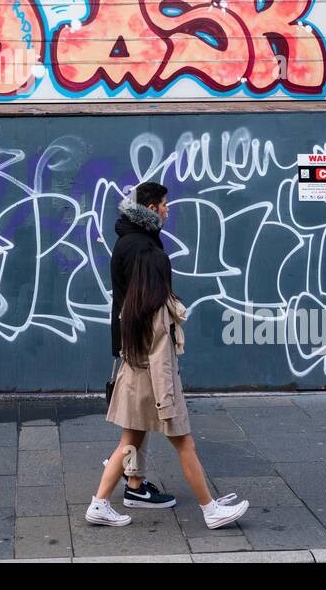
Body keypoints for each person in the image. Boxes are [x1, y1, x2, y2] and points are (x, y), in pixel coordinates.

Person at [88, 218, 250, 530]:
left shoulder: (132, 306)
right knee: (184, 445)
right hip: (156, 390)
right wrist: (167, 404)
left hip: (134, 384)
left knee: (128, 445)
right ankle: (210, 509)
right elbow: (161, 361)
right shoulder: (158, 312)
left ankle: (100, 503)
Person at [105, 182, 176, 509]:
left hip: (133, 340)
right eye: (164, 203)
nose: (167, 208)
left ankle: (133, 482)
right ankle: (109, 489)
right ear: (150, 209)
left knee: (138, 418)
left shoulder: (135, 239)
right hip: (142, 344)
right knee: (146, 421)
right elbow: (142, 301)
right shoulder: (139, 246)